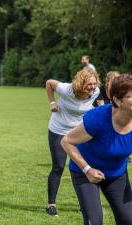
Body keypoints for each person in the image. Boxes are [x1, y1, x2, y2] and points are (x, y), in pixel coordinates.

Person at [61, 73, 132, 225]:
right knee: (94, 221)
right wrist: (87, 169)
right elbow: (67, 141)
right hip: (85, 172)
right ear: (117, 100)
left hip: (116, 174)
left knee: (128, 219)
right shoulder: (99, 118)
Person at [45, 68, 100, 216]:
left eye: (94, 84)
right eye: (89, 84)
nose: (93, 87)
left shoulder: (95, 92)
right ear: (81, 83)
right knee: (58, 166)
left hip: (79, 132)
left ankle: (85, 204)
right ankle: (51, 204)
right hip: (59, 130)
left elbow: (98, 106)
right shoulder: (67, 89)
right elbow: (49, 83)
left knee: (84, 167)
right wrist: (52, 102)